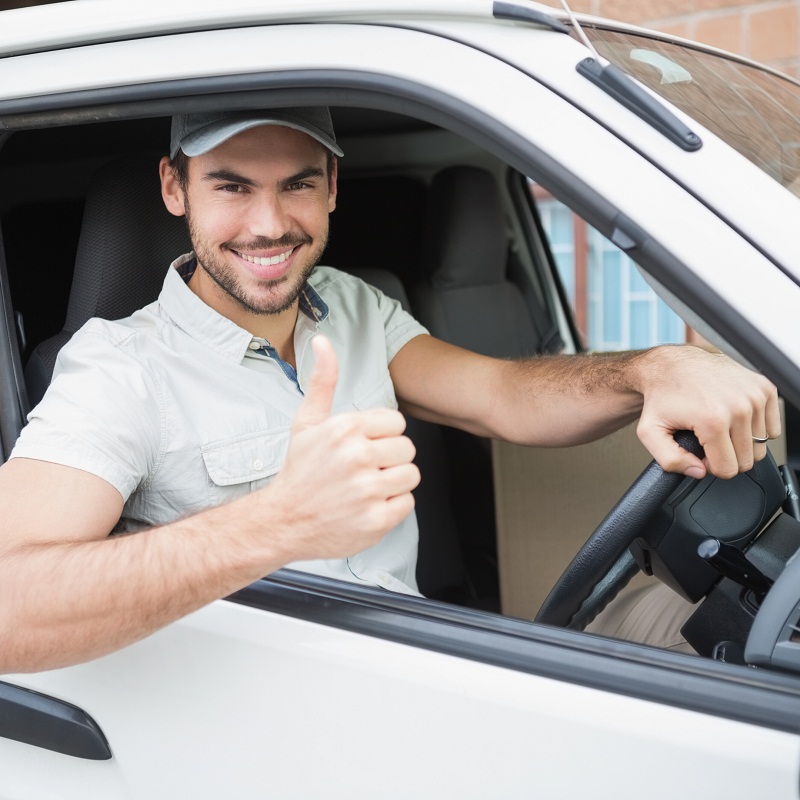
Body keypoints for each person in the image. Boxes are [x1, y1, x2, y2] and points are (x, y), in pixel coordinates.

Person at [0, 107, 780, 673]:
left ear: (334, 186)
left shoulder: (350, 302)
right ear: (175, 188)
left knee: (745, 644)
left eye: (297, 184)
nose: (268, 225)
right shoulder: (118, 367)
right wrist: (275, 523)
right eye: (231, 187)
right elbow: (10, 607)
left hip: (423, 656)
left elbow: (504, 396)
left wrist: (650, 370)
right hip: (286, 724)